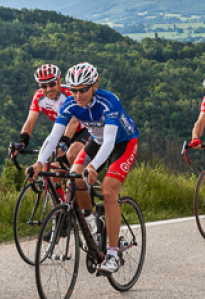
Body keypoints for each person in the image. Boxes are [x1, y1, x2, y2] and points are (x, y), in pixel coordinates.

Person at [27, 62, 138, 274]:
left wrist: (93, 166)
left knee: (108, 191)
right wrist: (39, 162)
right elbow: (53, 137)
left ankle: (113, 254)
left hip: (122, 143)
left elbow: (109, 142)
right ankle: (91, 224)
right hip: (97, 140)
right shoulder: (70, 104)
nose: (78, 95)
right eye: (75, 90)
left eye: (84, 90)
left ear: (95, 85)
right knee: (74, 175)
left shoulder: (109, 102)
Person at [10, 64, 87, 169]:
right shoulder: (39, 97)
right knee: (54, 171)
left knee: (72, 155)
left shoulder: (70, 93)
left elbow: (74, 121)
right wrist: (22, 142)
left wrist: (64, 141)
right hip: (63, 132)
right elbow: (30, 122)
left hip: (85, 129)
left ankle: (82, 184)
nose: (48, 89)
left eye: (52, 84)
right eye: (44, 86)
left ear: (59, 82)